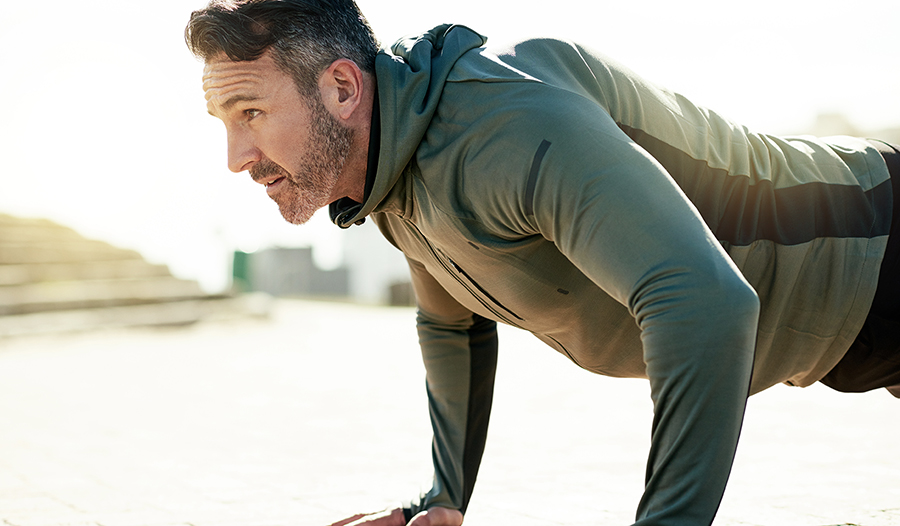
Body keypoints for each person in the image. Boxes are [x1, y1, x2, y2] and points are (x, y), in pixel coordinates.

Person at [185, 1, 900, 525]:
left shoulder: (502, 124)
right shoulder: (390, 180)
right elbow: (451, 328)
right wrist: (442, 500)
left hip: (881, 241)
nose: (235, 159)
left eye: (251, 114)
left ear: (343, 89)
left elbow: (705, 302)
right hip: (844, 334)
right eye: (224, 124)